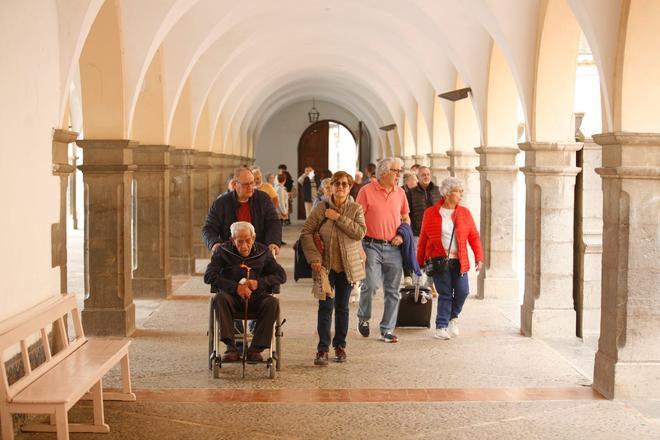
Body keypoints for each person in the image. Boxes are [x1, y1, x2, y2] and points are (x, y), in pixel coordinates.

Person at [300, 171, 366, 365]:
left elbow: (360, 232)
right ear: (331, 186)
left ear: (350, 187)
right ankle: (322, 349)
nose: (340, 187)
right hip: (325, 267)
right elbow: (306, 232)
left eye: (344, 184)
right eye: (337, 183)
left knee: (342, 308)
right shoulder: (321, 208)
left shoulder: (355, 209)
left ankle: (340, 346)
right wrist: (314, 258)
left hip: (346, 268)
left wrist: (338, 218)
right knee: (325, 307)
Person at [204, 222, 286, 363]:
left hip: (256, 297)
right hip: (232, 298)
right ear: (232, 239)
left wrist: (258, 283)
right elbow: (209, 276)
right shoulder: (222, 251)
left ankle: (255, 349)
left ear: (253, 238)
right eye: (239, 241)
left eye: (248, 240)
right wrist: (235, 287)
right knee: (219, 298)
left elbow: (281, 275)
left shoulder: (263, 252)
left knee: (272, 302)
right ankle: (231, 347)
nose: (244, 246)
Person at [416, 177, 484, 340]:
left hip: (460, 261)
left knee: (463, 292)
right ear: (447, 193)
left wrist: (478, 257)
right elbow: (423, 239)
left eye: (462, 191)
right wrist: (419, 262)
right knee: (445, 293)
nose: (461, 195)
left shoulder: (464, 213)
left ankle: (453, 317)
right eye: (458, 191)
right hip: (439, 261)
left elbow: (474, 236)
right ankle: (441, 327)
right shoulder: (431, 213)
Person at [356, 157, 410, 343]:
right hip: (371, 245)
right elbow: (358, 218)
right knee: (370, 284)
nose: (399, 175)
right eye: (396, 171)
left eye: (400, 171)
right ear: (384, 172)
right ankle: (364, 317)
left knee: (393, 290)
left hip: (394, 247)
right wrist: (358, 245)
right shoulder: (366, 191)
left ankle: (387, 329)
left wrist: (401, 236)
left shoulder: (401, 193)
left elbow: (405, 219)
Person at [202, 167, 282, 255]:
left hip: (259, 252)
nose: (250, 187)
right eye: (245, 184)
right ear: (235, 184)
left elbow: (273, 222)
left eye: (252, 183)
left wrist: (273, 242)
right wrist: (214, 243)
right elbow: (208, 228)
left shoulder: (263, 199)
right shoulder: (221, 203)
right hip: (230, 254)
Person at [406, 166, 442, 287]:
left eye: (428, 174)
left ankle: (429, 284)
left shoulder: (438, 190)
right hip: (418, 232)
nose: (426, 177)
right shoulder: (411, 193)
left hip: (436, 232)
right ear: (418, 177)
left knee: (434, 259)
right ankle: (418, 285)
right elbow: (407, 213)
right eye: (423, 175)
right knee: (418, 259)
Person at [401, 172, 419, 284]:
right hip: (405, 225)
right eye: (414, 180)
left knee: (413, 251)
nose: (416, 183)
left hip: (415, 227)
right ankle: (408, 274)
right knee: (406, 250)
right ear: (408, 182)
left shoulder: (418, 192)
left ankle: (413, 274)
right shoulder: (401, 192)